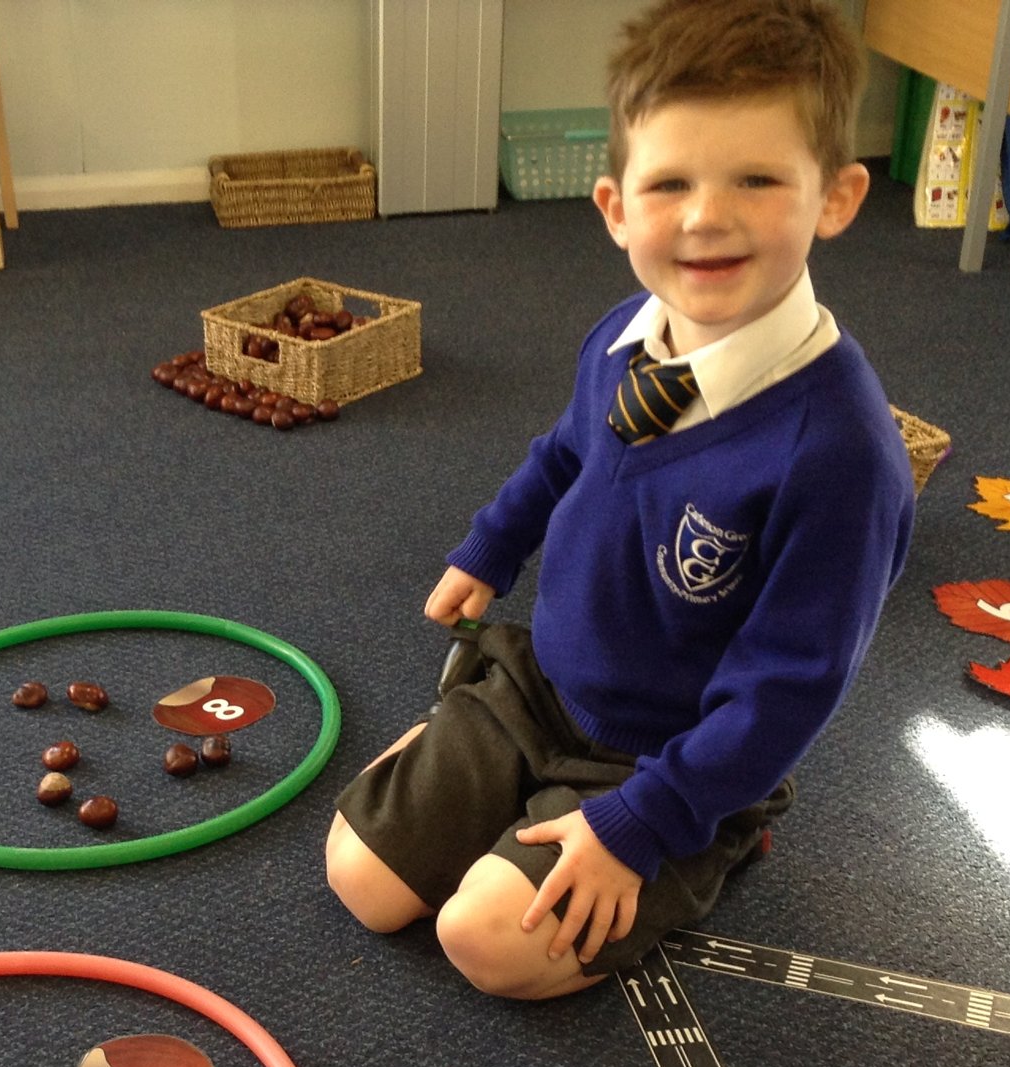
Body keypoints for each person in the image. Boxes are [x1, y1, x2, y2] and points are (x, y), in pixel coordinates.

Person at [325, 0, 916, 1000]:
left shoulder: (841, 453)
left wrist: (644, 820)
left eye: (757, 180)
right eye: (669, 182)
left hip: (664, 759)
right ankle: (482, 754)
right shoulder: (621, 335)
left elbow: (789, 687)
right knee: (362, 880)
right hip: (539, 685)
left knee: (486, 942)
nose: (705, 216)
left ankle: (717, 839)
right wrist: (488, 547)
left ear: (836, 197)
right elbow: (563, 453)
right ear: (612, 207)